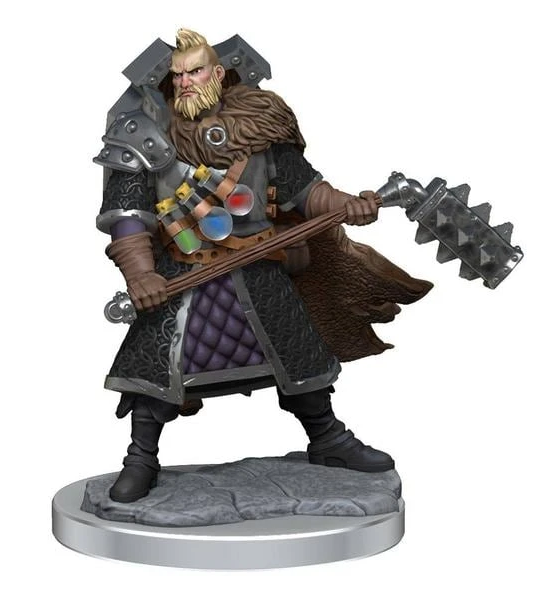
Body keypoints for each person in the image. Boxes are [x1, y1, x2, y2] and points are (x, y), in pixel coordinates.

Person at [95, 29, 431, 503]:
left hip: (259, 269)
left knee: (299, 357)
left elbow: (306, 191)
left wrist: (348, 204)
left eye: (195, 71)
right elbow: (129, 218)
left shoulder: (259, 126)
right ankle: (141, 457)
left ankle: (328, 440)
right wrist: (141, 275)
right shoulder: (144, 135)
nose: (185, 82)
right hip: (185, 273)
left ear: (217, 73)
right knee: (154, 371)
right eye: (178, 75)